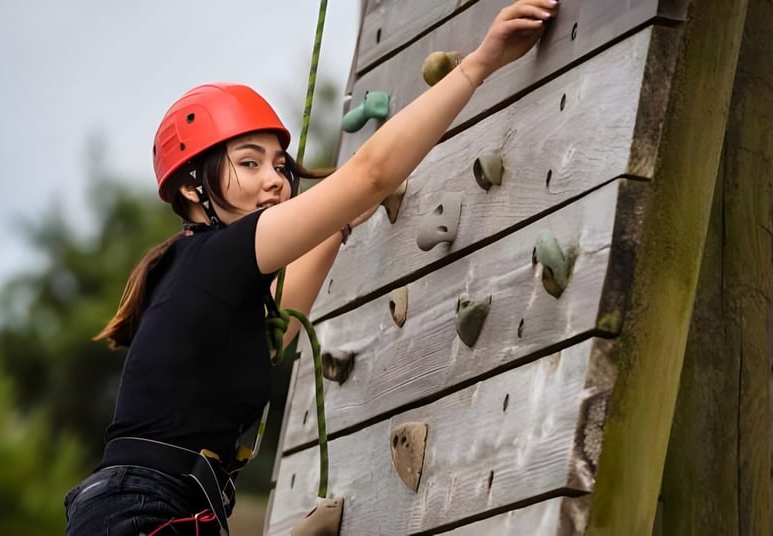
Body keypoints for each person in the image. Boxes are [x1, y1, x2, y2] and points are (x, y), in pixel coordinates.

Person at [63, 1, 559, 534]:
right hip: (147, 509)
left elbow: (280, 327)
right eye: (249, 163)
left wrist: (342, 221)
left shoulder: (194, 273)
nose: (275, 180)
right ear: (191, 187)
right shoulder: (218, 252)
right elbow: (368, 175)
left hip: (149, 508)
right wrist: (478, 65)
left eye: (280, 166)